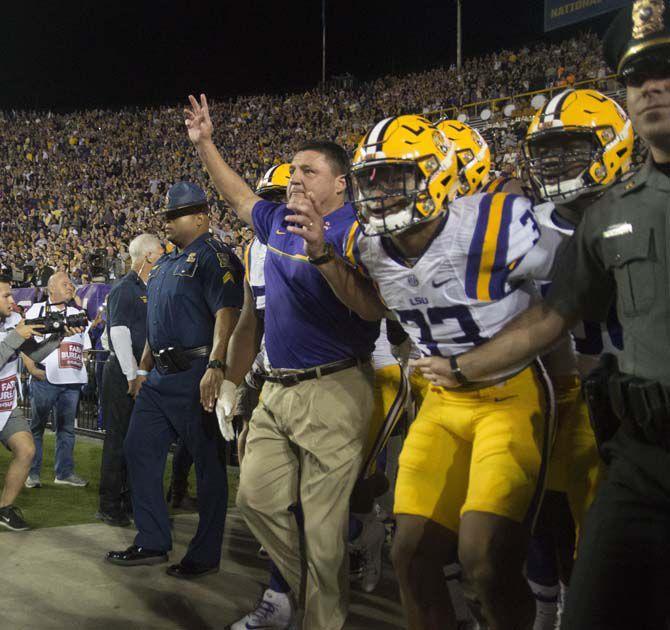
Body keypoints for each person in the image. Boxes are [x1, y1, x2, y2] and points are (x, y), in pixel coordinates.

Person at [418, 4, 670, 627]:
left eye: (570, 148)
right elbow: (546, 317)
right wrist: (463, 363)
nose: (554, 164)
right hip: (599, 414)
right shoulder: (553, 219)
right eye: (638, 78)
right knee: (560, 547)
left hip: (606, 409)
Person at [295, 114, 561, 630]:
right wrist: (325, 256)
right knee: (411, 556)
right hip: (442, 402)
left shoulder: (495, 220)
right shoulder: (365, 243)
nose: (380, 192)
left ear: (437, 174)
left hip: (510, 395)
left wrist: (472, 363)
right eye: (371, 179)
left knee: (484, 556)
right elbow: (372, 308)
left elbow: (561, 303)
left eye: (395, 177)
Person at [185, 95, 379, 630]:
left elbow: (370, 306)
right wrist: (205, 145)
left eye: (308, 170)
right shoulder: (278, 224)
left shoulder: (358, 232)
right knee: (256, 499)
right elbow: (241, 196)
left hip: (336, 387)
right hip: (277, 387)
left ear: (340, 184)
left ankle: (322, 615)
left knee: (322, 530)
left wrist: (323, 251)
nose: (294, 178)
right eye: (292, 169)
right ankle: (312, 590)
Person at [517, 87, 634, 630]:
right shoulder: (521, 224)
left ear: (612, 145)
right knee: (540, 515)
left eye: (571, 147)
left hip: (634, 399)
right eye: (548, 150)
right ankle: (549, 605)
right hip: (551, 397)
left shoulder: (646, 207)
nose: (556, 163)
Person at [105, 182, 244, 578]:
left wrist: (217, 367)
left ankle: (204, 554)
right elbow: (155, 326)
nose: (168, 221)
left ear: (200, 216)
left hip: (197, 373)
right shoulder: (166, 264)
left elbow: (227, 313)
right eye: (167, 215)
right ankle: (152, 540)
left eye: (176, 214)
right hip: (161, 378)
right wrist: (144, 369)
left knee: (208, 464)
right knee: (138, 450)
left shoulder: (215, 257)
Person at [0, 276, 83, 530]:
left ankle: (4, 508)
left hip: (4, 404)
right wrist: (14, 337)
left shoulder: (14, 320)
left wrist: (58, 339)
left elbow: (33, 355)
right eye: (6, 296)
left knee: (26, 450)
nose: (12, 301)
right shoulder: (14, 327)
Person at [97, 233, 163, 527]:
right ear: (148, 255)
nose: (164, 254)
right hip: (123, 374)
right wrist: (132, 375)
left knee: (136, 442)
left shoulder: (149, 286)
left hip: (139, 372)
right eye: (161, 250)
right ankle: (110, 505)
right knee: (117, 439)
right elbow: (119, 334)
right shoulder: (126, 287)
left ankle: (130, 499)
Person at [23, 272, 91, 488]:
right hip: (45, 378)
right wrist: (32, 369)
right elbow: (23, 342)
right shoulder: (36, 310)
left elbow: (86, 347)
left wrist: (82, 364)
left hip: (71, 381)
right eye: (65, 283)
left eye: (71, 283)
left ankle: (64, 473)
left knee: (67, 429)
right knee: (37, 428)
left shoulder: (77, 313)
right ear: (51, 289)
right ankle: (32, 474)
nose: (71, 286)